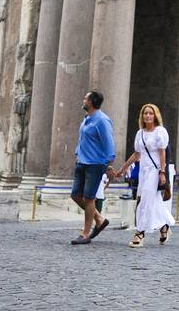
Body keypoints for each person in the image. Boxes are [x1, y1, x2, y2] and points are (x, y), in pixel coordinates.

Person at [115, 103, 175, 248]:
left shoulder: (160, 131)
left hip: (155, 170)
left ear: (155, 116)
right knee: (153, 201)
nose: (147, 116)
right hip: (144, 171)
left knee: (144, 201)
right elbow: (137, 154)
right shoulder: (140, 133)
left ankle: (140, 232)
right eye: (145, 113)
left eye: (150, 113)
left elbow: (162, 153)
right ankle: (164, 226)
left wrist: (162, 172)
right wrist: (123, 168)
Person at [69, 90, 115, 245]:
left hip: (95, 165)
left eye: (85, 98)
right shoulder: (86, 118)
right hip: (82, 162)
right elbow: (82, 139)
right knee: (75, 195)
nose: (83, 100)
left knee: (89, 199)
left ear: (91, 102)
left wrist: (109, 165)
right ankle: (99, 219)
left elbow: (109, 143)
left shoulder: (102, 120)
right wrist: (77, 153)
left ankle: (85, 234)